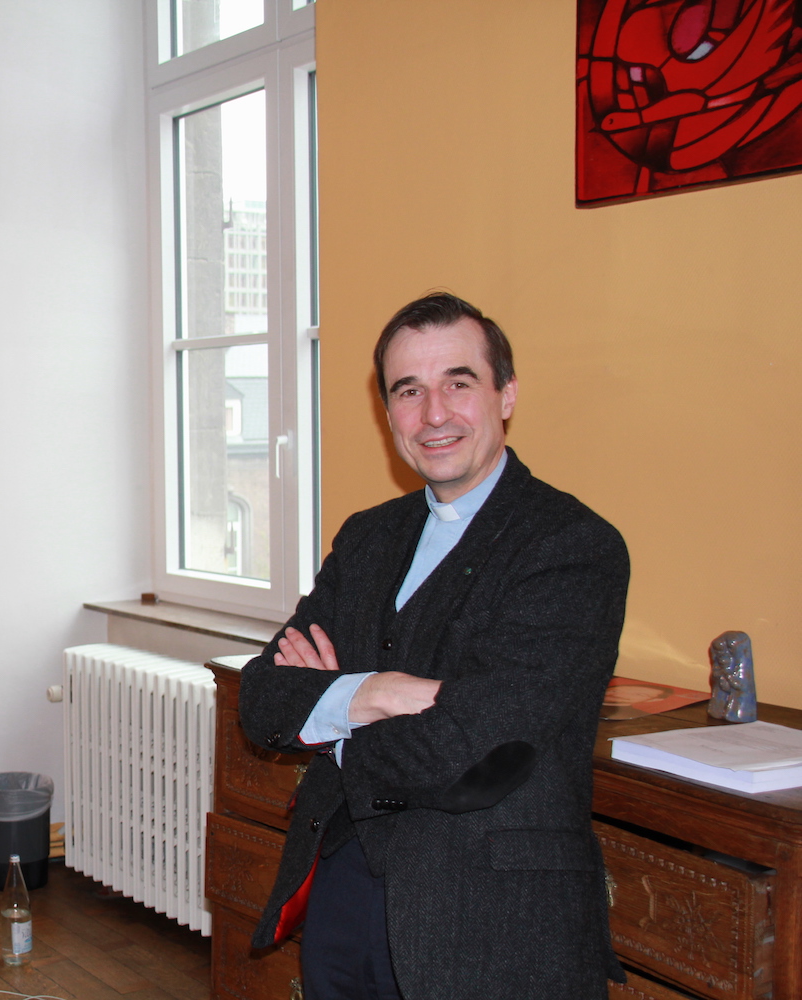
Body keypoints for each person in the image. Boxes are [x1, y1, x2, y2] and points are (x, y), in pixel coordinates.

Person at [239, 293, 629, 1000]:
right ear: (389, 416)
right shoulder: (366, 537)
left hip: (494, 920)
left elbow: (475, 748)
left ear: (505, 395)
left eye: (458, 382)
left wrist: (333, 723)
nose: (435, 414)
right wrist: (375, 694)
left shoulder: (572, 547)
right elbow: (263, 696)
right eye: (408, 392)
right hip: (345, 891)